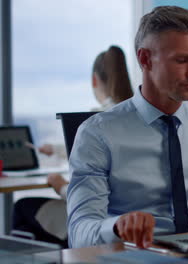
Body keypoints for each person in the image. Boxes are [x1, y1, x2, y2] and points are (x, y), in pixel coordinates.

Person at [67, 6, 188, 249]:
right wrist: (116, 226)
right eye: (182, 60)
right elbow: (79, 232)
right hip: (141, 253)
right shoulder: (97, 133)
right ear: (145, 59)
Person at [12, 45, 133, 248]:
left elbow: (91, 200)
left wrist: (60, 185)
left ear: (94, 80)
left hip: (101, 223)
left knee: (22, 207)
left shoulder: (96, 122)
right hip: (131, 219)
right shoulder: (135, 117)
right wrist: (57, 150)